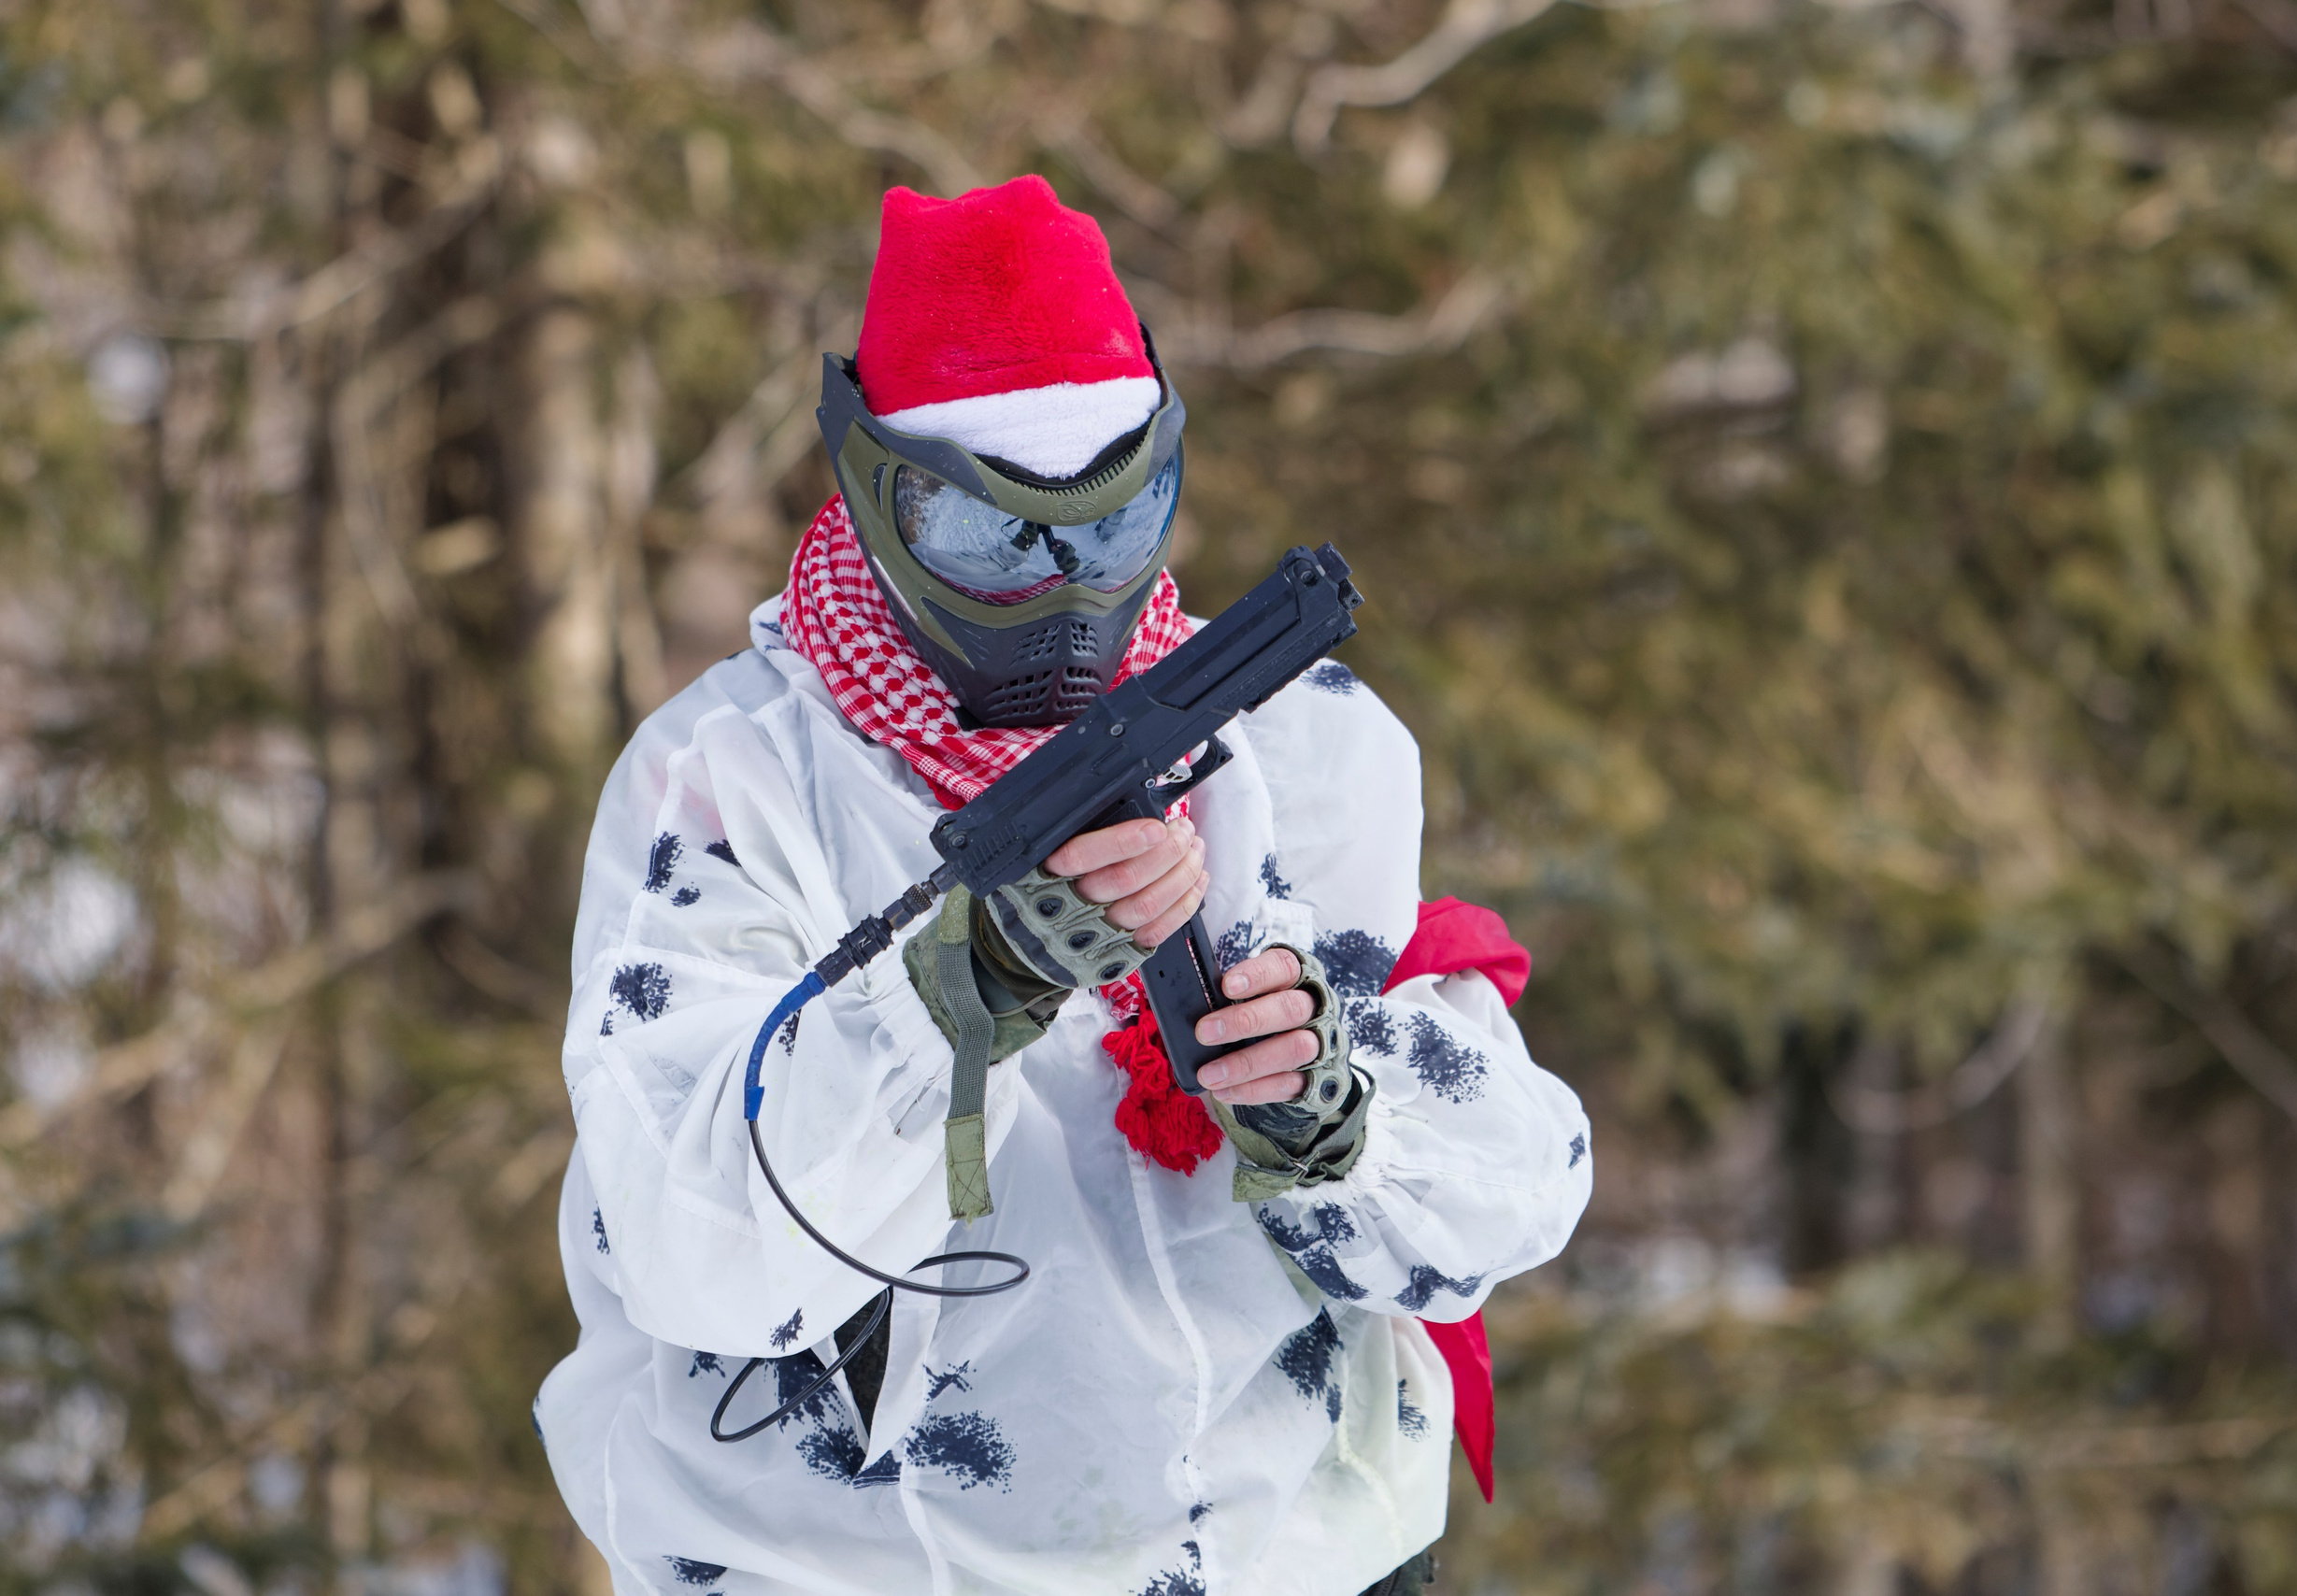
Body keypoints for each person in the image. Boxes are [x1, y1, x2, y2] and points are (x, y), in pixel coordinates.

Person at [535, 175, 1592, 1596]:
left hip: (1298, 1555)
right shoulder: (731, 786)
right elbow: (695, 1252)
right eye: (991, 538)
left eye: (1115, 521)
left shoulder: (1302, 747)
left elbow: (1512, 1198)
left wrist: (1337, 1113)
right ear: (882, 496)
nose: (1065, 591)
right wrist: (956, 996)